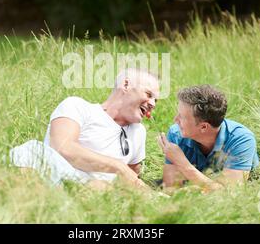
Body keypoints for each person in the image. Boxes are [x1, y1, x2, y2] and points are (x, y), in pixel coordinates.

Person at [10, 68, 160, 189]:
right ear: (126, 85)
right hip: (59, 178)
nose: (153, 103)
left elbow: (131, 179)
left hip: (101, 193)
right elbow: (64, 148)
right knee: (32, 151)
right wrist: (117, 166)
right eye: (148, 94)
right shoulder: (77, 106)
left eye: (156, 100)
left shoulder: (138, 132)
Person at [157, 85, 259, 192]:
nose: (175, 119)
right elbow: (170, 188)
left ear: (204, 126)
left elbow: (230, 193)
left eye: (182, 117)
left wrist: (181, 162)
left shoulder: (241, 139)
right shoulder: (176, 134)